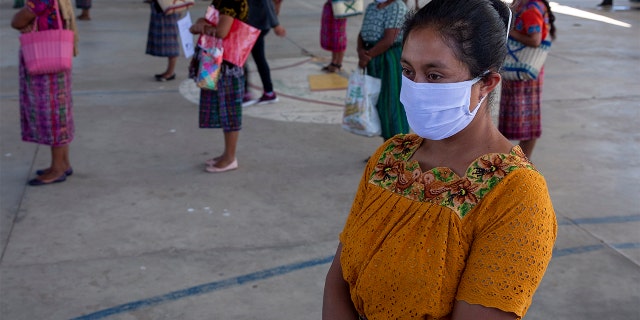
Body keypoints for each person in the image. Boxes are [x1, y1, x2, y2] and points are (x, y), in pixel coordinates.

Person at [322, 0, 557, 318]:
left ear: (485, 84)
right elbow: (339, 280)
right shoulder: (391, 157)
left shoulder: (516, 194)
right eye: (407, 70)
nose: (415, 88)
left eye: (434, 76)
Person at [11, 0, 78, 186]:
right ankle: (63, 163)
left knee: (51, 113)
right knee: (59, 110)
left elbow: (17, 21)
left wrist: (23, 22)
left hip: (45, 59)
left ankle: (57, 168)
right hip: (55, 55)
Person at [190, 0, 248, 173]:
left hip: (227, 64)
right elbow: (215, 21)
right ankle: (226, 154)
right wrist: (202, 22)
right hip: (217, 60)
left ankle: (230, 157)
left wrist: (202, 28)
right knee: (222, 108)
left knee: (229, 109)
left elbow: (222, 31)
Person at [498, 0, 556, 158]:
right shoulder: (526, 4)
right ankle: (520, 160)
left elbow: (535, 39)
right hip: (524, 73)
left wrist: (509, 31)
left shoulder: (531, 7)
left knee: (526, 121)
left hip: (524, 76)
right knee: (524, 120)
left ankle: (523, 161)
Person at [357, 0, 409, 141]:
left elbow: (389, 39)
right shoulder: (372, 7)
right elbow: (362, 34)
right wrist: (361, 52)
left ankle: (399, 149)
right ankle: (386, 149)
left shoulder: (397, 6)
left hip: (389, 59)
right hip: (372, 58)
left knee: (393, 103)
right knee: (379, 103)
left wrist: (367, 56)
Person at [242, 0, 287, 106]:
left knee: (241, 59)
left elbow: (267, 2)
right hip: (255, 23)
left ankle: (245, 94)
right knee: (259, 59)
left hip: (253, 24)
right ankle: (269, 92)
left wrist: (275, 24)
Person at [146, 0, 181, 81]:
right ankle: (169, 71)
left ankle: (170, 72)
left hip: (169, 8)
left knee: (171, 41)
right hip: (162, 8)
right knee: (168, 40)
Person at [320, 0, 347, 73]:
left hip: (340, 7)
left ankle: (338, 63)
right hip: (331, 6)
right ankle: (334, 61)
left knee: (339, 36)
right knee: (332, 37)